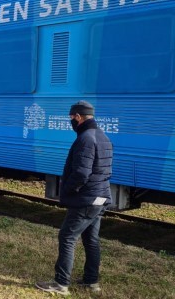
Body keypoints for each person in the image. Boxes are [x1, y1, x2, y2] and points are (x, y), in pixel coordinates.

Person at [35, 100, 113, 296]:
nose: (71, 121)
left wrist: (67, 190)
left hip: (86, 198)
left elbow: (81, 173)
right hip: (100, 196)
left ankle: (61, 284)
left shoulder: (85, 139)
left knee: (67, 237)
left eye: (71, 118)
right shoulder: (102, 136)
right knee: (91, 240)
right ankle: (91, 282)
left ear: (78, 116)